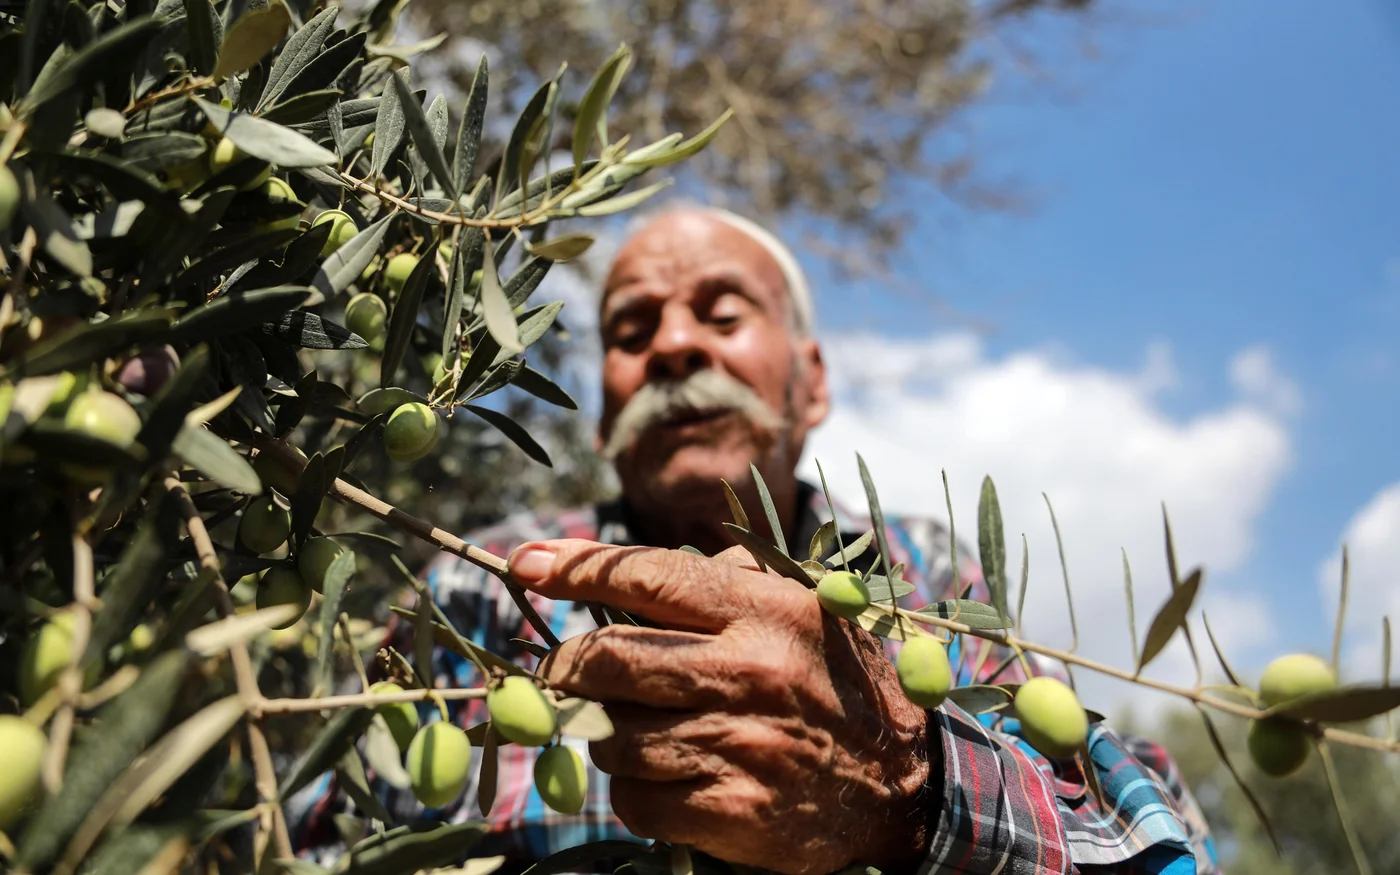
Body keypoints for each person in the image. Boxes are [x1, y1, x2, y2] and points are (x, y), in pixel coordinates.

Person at [290, 206, 1219, 875]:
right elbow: (324, 836)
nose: (675, 345)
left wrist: (905, 779)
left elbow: (1157, 840)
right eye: (632, 328)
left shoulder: (916, 573)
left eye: (723, 313)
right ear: (607, 405)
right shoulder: (485, 583)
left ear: (811, 383)